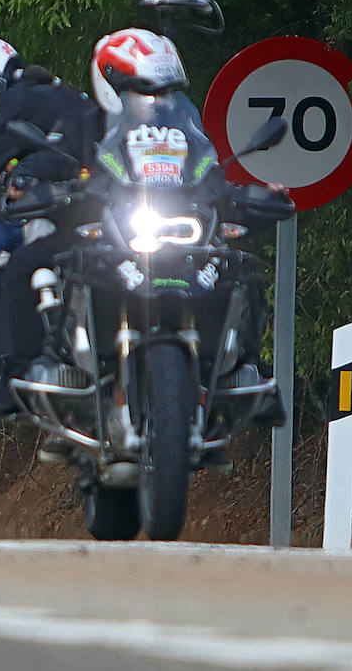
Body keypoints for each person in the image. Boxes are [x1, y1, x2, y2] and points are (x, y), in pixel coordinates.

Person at [89, 27, 291, 432]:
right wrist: (68, 193)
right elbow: (80, 177)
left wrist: (241, 193)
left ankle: (245, 367)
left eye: (164, 91)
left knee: (237, 269)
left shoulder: (185, 130)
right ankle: (71, 364)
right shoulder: (94, 130)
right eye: (142, 90)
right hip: (125, 233)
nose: (155, 100)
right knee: (74, 263)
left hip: (181, 233)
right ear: (112, 85)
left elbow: (207, 169)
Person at [0, 30, 102, 416]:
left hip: (68, 218)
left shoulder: (21, 100)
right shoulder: (64, 92)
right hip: (106, 211)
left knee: (12, 264)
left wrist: (4, 173)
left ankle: (19, 378)